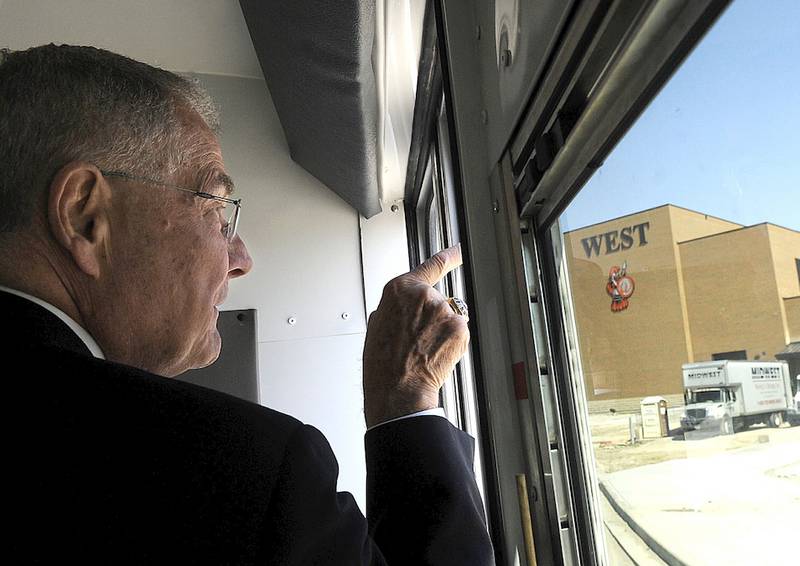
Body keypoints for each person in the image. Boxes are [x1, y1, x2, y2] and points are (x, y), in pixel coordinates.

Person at [0, 44, 494, 564]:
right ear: (85, 217)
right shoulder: (232, 473)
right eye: (217, 211)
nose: (240, 258)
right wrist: (407, 399)